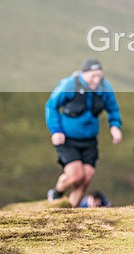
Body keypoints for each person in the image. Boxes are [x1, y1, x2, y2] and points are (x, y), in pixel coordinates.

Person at [45, 59, 122, 208]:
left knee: (86, 178)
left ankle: (69, 212)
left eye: (99, 76)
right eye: (93, 76)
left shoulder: (104, 87)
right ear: (84, 74)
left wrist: (115, 126)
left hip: (89, 140)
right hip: (67, 139)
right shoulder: (69, 85)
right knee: (76, 175)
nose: (96, 80)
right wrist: (56, 131)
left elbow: (113, 108)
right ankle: (56, 192)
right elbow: (51, 106)